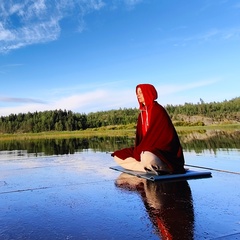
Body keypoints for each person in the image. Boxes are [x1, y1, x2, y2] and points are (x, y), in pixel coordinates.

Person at [111, 83, 185, 175]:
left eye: (141, 92)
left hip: (162, 151)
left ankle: (164, 167)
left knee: (147, 157)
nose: (138, 95)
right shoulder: (141, 114)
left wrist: (144, 150)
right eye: (137, 93)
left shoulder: (158, 110)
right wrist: (140, 150)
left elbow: (165, 140)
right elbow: (140, 139)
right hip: (144, 148)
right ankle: (149, 168)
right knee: (118, 155)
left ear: (148, 93)